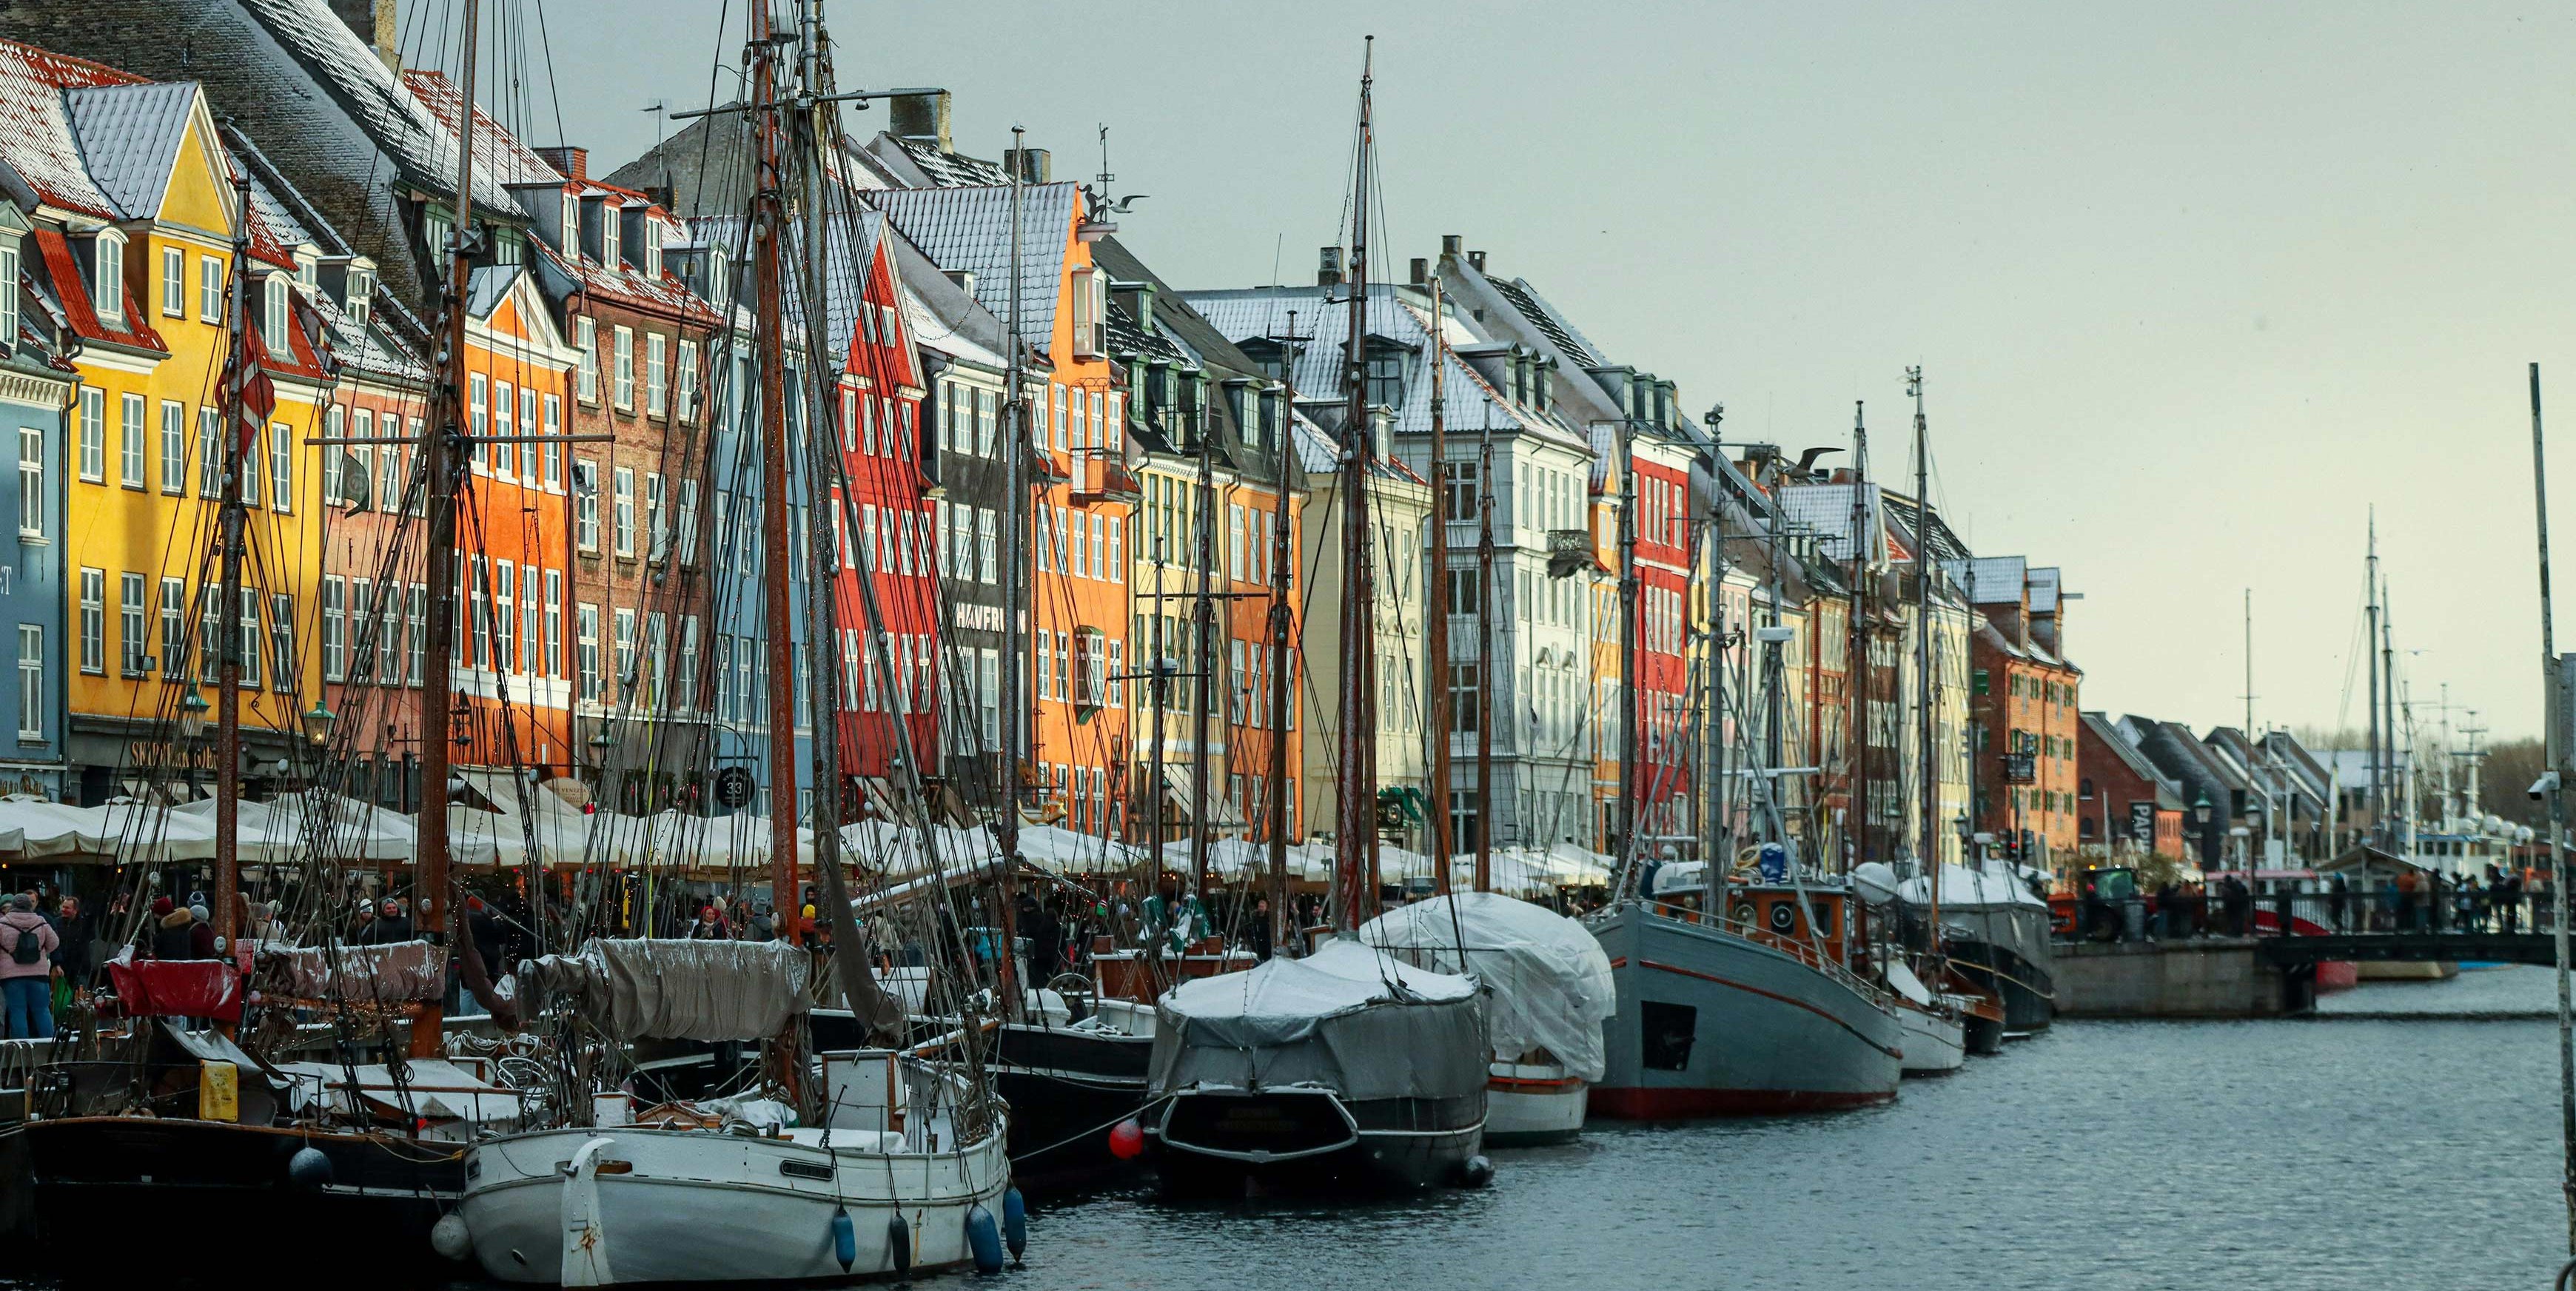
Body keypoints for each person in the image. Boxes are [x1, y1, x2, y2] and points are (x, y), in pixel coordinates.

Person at [0, 894, 59, 1039]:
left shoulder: (2, 924)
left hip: (11, 977)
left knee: (18, 1011)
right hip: (39, 975)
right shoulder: (41, 922)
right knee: (42, 1010)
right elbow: (54, 943)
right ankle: (48, 1046)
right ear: (30, 906)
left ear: (13, 906)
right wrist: (42, 952)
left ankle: (22, 1048)